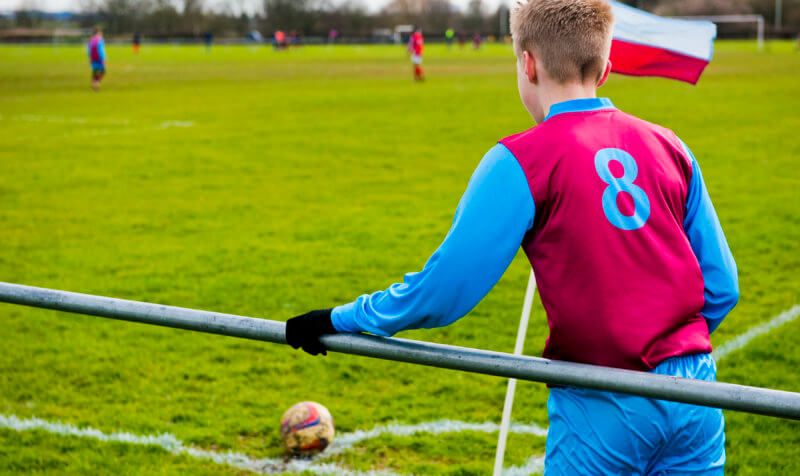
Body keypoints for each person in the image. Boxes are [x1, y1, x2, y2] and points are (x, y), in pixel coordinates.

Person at [286, 0, 738, 474]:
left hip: (605, 400)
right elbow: (722, 285)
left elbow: (443, 291)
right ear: (606, 68)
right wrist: (666, 352)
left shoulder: (520, 160)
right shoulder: (671, 144)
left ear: (528, 63)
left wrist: (341, 319)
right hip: (696, 394)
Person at [87, 27, 106, 91]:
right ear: (98, 33)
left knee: (94, 72)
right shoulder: (100, 40)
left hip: (93, 59)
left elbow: (88, 50)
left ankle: (93, 84)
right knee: (102, 71)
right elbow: (101, 50)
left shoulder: (91, 40)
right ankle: (96, 84)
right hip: (100, 59)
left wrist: (89, 58)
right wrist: (103, 59)